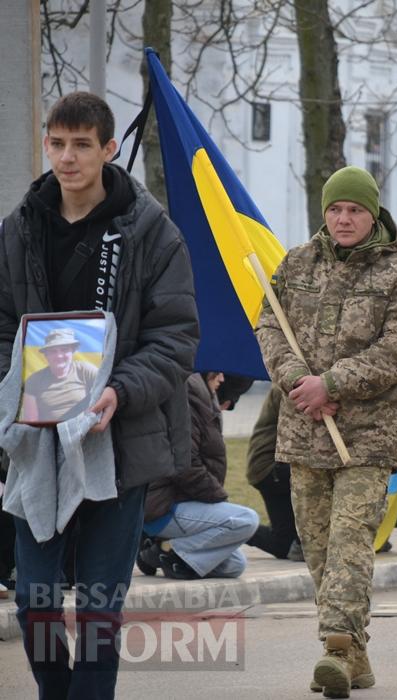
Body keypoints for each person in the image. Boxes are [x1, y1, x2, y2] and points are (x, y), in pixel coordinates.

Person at [0, 92, 198, 699]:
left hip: (120, 438)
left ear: (109, 149)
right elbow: (3, 325)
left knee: (98, 610)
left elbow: (176, 336)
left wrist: (118, 391)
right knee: (34, 601)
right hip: (39, 444)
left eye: (82, 144)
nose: (67, 157)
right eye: (57, 143)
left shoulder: (151, 231)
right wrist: (17, 392)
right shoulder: (19, 228)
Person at [256, 166, 397, 699]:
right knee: (320, 552)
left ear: (372, 213)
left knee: (352, 544)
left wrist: (331, 384)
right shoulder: (296, 264)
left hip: (366, 437)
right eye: (335, 209)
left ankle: (333, 649)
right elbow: (269, 324)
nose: (344, 218)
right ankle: (355, 653)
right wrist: (296, 384)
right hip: (305, 432)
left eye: (354, 209)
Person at [139, 371, 259, 579]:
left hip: (183, 502)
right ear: (206, 372)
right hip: (165, 506)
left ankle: (160, 551)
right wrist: (218, 497)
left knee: (235, 565)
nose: (222, 379)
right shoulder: (189, 401)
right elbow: (186, 466)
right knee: (245, 520)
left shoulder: (203, 397)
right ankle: (171, 551)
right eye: (217, 374)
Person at [244, 385, 303, 560]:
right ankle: (232, 525)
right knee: (328, 479)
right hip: (271, 467)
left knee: (282, 544)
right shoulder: (293, 385)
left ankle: (236, 526)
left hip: (276, 466)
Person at [21, 327, 98, 422]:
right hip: (49, 433)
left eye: (64, 350)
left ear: (73, 351)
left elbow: (103, 398)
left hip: (85, 429)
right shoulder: (34, 380)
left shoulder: (86, 371)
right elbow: (31, 421)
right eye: (53, 351)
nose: (59, 356)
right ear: (46, 355)